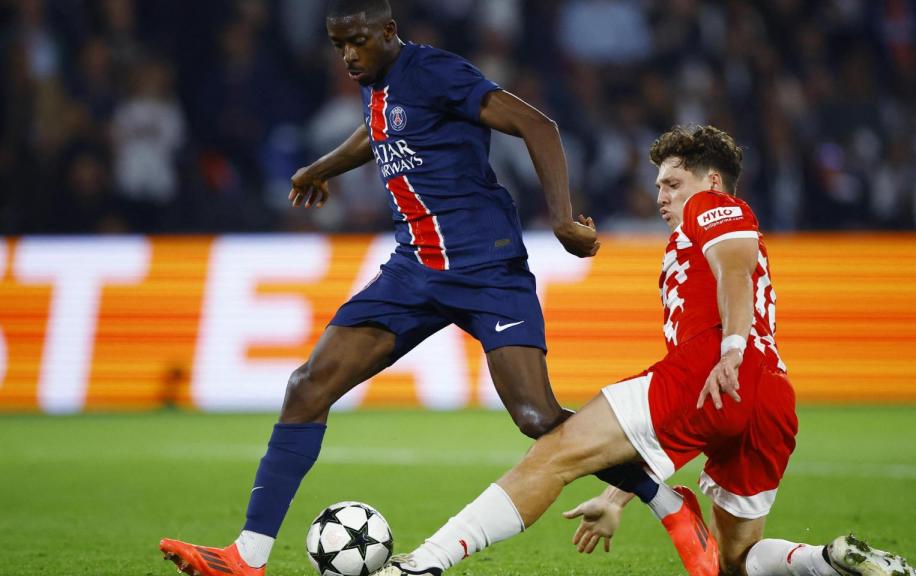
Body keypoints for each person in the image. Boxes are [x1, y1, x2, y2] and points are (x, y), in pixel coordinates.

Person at [157, 1, 664, 575]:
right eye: (339, 45)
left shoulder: (435, 71)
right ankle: (246, 558)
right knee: (307, 386)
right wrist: (323, 167)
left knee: (537, 417)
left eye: (357, 41)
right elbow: (379, 130)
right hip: (414, 270)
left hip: (486, 267)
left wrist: (564, 218)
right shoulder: (378, 81)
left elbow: (537, 125)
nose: (348, 56)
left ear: (388, 31)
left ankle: (664, 500)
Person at [373, 125, 916, 576]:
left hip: (714, 369)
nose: (662, 197)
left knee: (553, 454)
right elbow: (670, 429)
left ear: (711, 180)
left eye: (673, 183)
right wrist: (615, 498)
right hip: (770, 399)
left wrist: (730, 349)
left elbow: (735, 270)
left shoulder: (714, 206)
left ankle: (426, 562)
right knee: (735, 562)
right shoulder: (692, 237)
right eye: (658, 186)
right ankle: (827, 560)